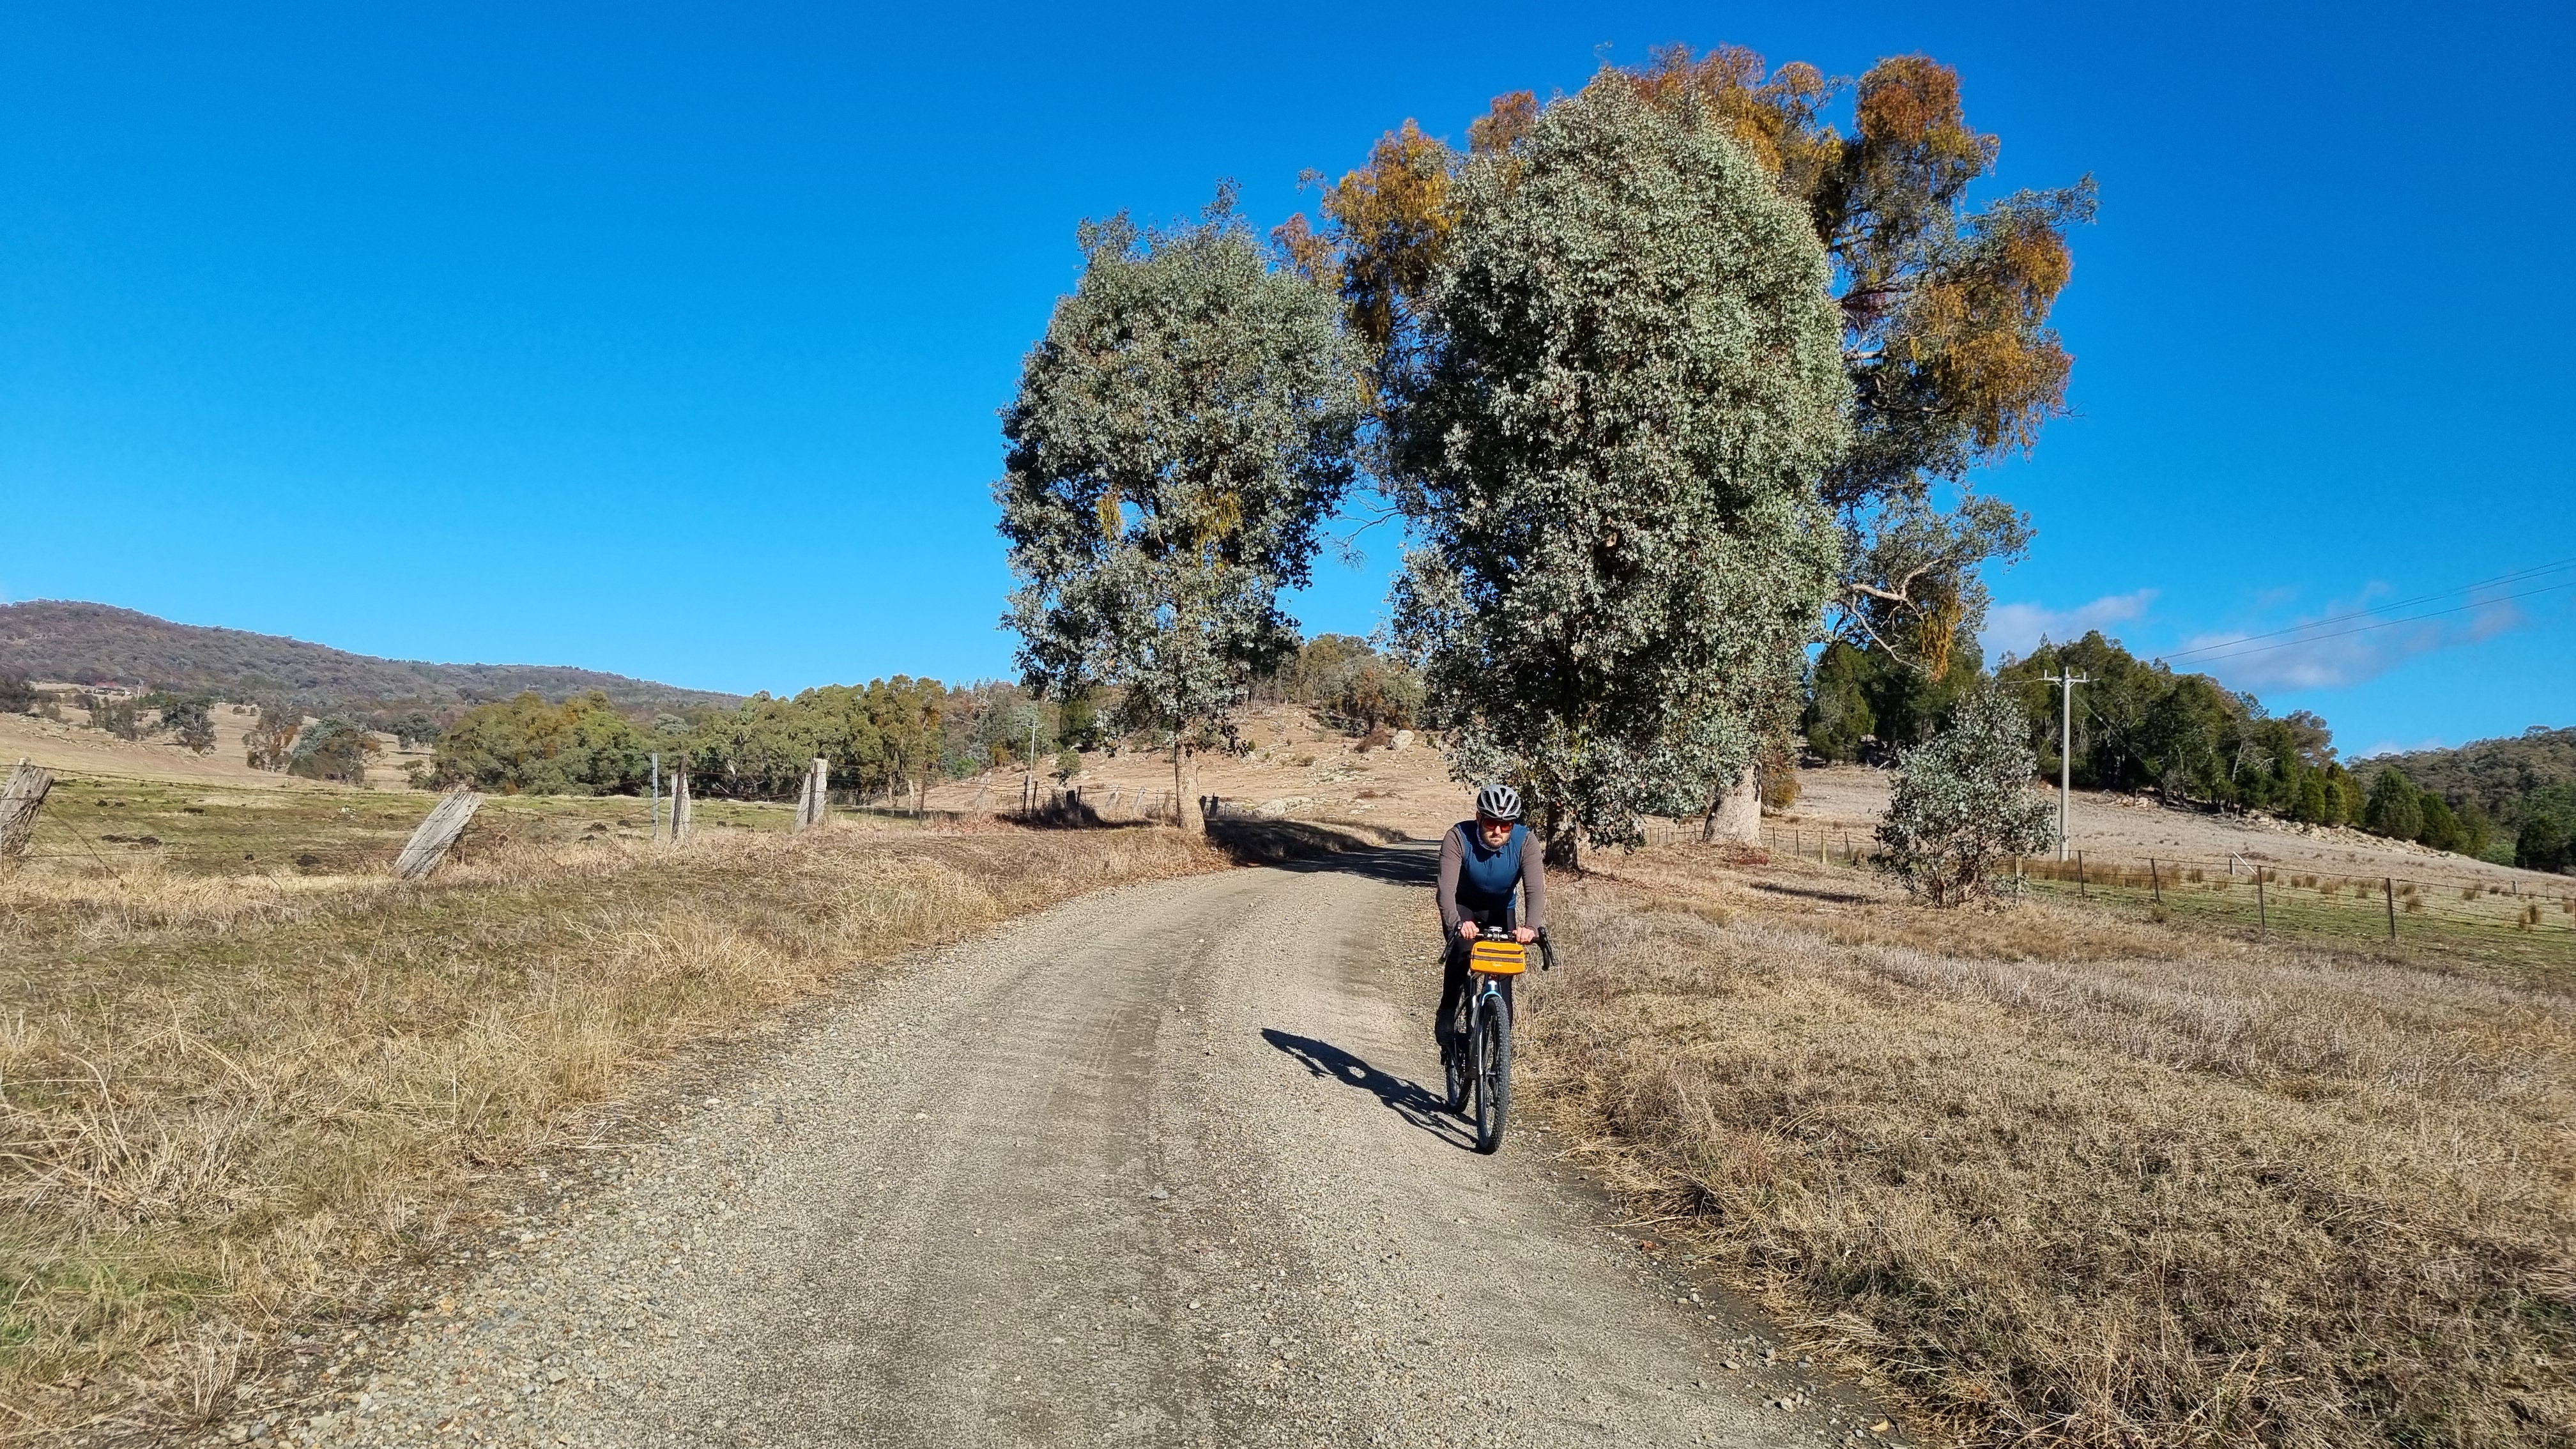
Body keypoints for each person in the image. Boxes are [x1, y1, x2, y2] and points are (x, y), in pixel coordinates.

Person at [1434, 783, 1545, 1058]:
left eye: (1506, 825)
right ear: (1479, 818)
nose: (1498, 831)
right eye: (1492, 822)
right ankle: (1448, 1007)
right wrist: (1456, 924)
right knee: (1462, 950)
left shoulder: (1526, 842)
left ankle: (1500, 1046)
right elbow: (1445, 889)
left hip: (1500, 908)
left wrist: (1531, 927)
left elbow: (1534, 889)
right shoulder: (1458, 837)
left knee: (1504, 967)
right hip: (1464, 906)